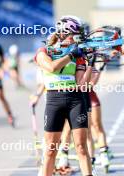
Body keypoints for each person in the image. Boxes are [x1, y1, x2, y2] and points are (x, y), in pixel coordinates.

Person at [34, 16, 95, 176]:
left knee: (82, 147)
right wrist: (70, 56)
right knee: (50, 150)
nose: (76, 37)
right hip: (54, 100)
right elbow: (51, 67)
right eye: (74, 34)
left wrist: (90, 64)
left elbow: (82, 84)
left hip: (76, 99)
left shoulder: (77, 53)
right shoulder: (44, 51)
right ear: (63, 33)